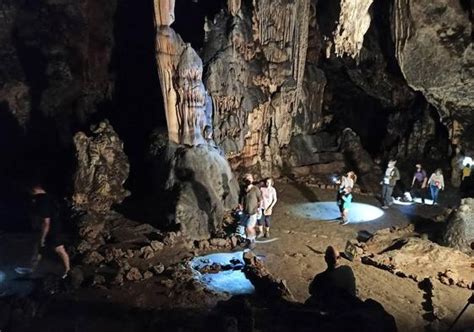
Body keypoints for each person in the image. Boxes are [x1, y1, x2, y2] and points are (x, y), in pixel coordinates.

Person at [28, 183, 70, 278]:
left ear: (34, 191)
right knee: (39, 248)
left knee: (59, 248)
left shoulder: (42, 201)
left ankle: (67, 270)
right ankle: (32, 269)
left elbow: (46, 222)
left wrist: (43, 237)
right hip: (57, 226)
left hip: (53, 229)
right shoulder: (50, 198)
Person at [239, 174, 262, 249]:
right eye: (247, 178)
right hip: (245, 212)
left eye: (250, 178)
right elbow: (241, 199)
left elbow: (260, 200)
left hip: (253, 212)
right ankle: (247, 240)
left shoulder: (255, 189)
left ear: (252, 180)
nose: (248, 179)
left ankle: (253, 240)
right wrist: (240, 206)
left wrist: (259, 209)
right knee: (245, 227)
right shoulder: (243, 189)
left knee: (249, 227)